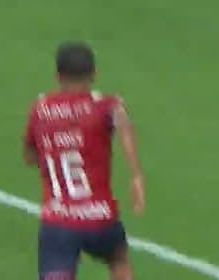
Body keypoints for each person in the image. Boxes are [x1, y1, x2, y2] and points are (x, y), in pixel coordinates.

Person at [25, 43, 145, 280]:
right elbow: (122, 120)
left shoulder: (40, 109)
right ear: (94, 74)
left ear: (58, 76)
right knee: (119, 260)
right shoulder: (104, 105)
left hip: (59, 222)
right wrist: (136, 175)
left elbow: (30, 157)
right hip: (101, 217)